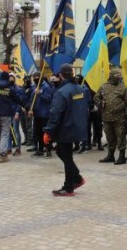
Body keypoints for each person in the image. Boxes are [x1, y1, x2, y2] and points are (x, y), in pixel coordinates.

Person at [43, 64, 89, 196]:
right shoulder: (80, 89)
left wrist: (48, 131)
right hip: (76, 126)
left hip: (66, 128)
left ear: (61, 75)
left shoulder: (61, 92)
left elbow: (55, 113)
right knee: (61, 152)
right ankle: (77, 178)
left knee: (66, 156)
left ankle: (69, 187)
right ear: (72, 73)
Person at [95, 68, 127, 165]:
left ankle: (121, 157)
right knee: (109, 137)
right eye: (116, 77)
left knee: (121, 137)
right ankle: (110, 156)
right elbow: (96, 97)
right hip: (107, 118)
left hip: (119, 118)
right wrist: (100, 103)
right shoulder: (103, 87)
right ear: (111, 76)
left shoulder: (123, 88)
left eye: (119, 77)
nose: (118, 79)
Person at [27, 72, 55, 158]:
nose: (35, 78)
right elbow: (32, 99)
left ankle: (48, 150)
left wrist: (40, 93)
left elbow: (49, 99)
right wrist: (30, 109)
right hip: (37, 113)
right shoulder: (34, 87)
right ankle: (40, 149)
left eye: (37, 77)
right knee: (38, 132)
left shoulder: (46, 87)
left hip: (45, 114)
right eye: (34, 77)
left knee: (45, 133)